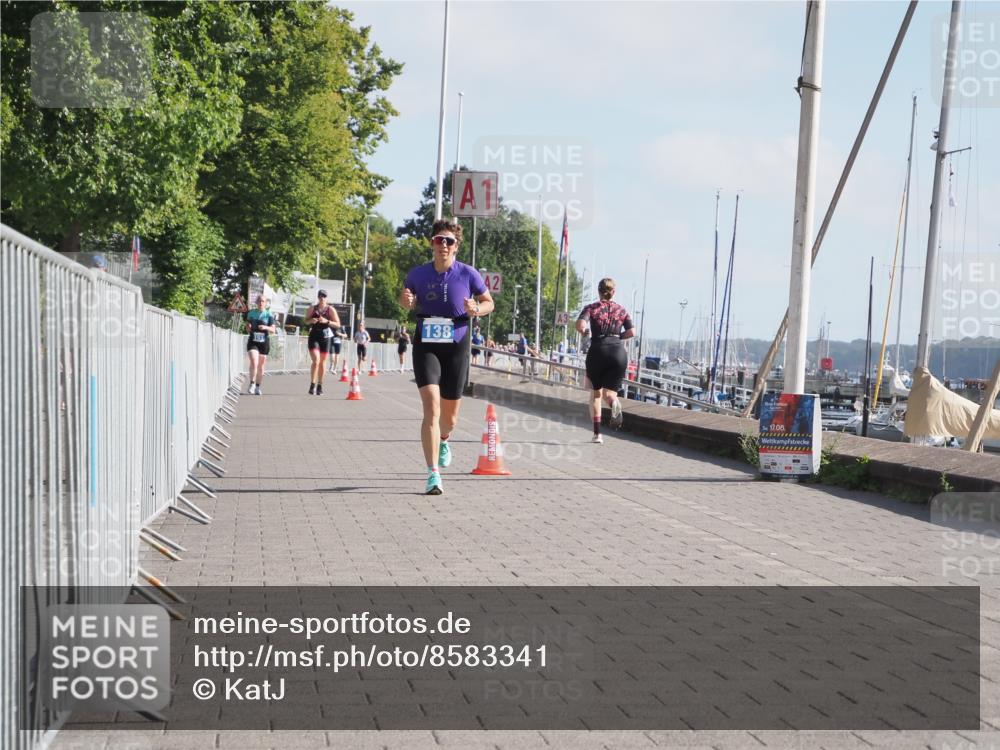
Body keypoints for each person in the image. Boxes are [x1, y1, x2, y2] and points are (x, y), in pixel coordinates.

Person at [399, 218, 494, 495]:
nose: (443, 245)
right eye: (438, 240)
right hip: (426, 342)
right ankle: (433, 474)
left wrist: (477, 307)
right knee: (431, 408)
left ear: (456, 247)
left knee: (449, 418)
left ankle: (444, 438)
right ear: (431, 243)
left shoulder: (468, 274)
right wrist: (405, 301)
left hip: (457, 342)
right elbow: (407, 300)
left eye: (448, 241)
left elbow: (489, 302)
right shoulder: (417, 274)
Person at [576, 278, 634, 444]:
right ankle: (614, 402)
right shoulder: (621, 310)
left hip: (598, 351)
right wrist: (617, 337)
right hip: (618, 352)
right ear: (613, 292)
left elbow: (580, 325)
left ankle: (597, 434)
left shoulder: (591, 308)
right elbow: (632, 331)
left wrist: (586, 332)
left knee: (596, 394)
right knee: (609, 395)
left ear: (599, 291)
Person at [306, 290, 340, 395]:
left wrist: (327, 321)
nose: (322, 298)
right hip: (314, 336)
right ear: (318, 297)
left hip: (325, 337)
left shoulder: (330, 310)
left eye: (324, 296)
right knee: (316, 360)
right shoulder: (312, 308)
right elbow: (306, 321)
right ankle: (312, 384)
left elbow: (338, 324)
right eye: (321, 296)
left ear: (326, 298)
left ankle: (320, 385)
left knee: (322, 362)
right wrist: (311, 321)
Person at [246, 295, 277, 395]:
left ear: (266, 303)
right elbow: (247, 329)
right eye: (259, 301)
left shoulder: (269, 315)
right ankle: (252, 383)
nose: (261, 303)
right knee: (254, 362)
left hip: (264, 342)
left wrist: (265, 327)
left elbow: (273, 330)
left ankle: (258, 387)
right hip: (253, 341)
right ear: (256, 302)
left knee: (261, 365)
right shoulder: (251, 313)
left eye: (263, 301)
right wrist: (249, 326)